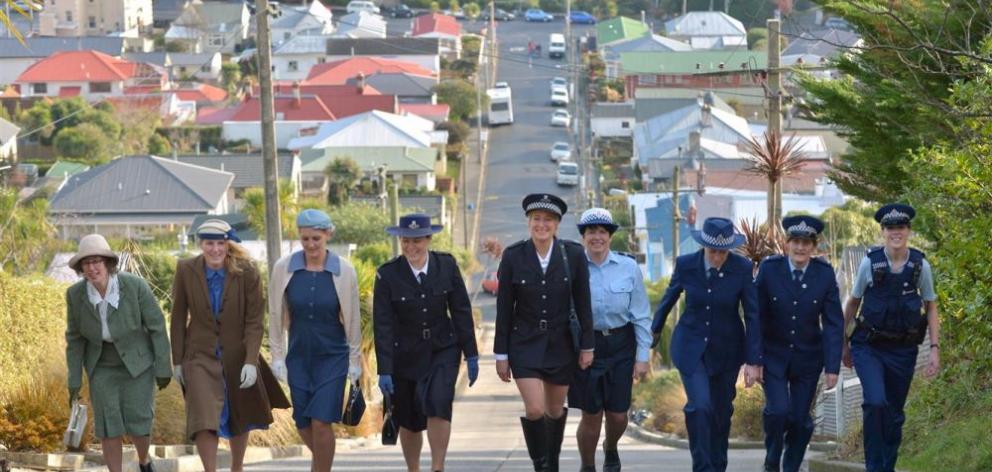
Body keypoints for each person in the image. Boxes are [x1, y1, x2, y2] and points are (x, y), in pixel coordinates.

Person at [170, 219, 290, 472]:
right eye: (209, 243)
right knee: (203, 416)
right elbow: (178, 317)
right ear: (201, 244)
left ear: (228, 244)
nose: (214, 249)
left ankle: (237, 467)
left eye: (220, 243)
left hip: (237, 353)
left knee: (240, 413)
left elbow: (255, 321)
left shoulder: (247, 271)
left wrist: (250, 361)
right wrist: (178, 361)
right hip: (198, 355)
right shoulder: (185, 269)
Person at [650, 217, 762, 472]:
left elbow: (753, 314)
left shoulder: (743, 268)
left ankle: (717, 465)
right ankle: (703, 467)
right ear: (704, 247)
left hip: (727, 350)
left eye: (723, 252)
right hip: (690, 348)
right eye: (713, 251)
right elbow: (669, 299)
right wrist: (654, 333)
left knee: (721, 414)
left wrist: (754, 360)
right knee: (700, 406)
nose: (718, 257)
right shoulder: (686, 265)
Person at [495, 193, 594, 472]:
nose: (541, 225)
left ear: (557, 224)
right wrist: (501, 354)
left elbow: (584, 303)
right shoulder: (513, 255)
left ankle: (552, 461)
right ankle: (541, 465)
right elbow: (504, 309)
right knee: (535, 410)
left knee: (553, 411)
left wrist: (588, 345)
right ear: (529, 222)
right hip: (524, 343)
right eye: (536, 219)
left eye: (548, 220)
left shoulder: (572, 255)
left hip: (561, 344)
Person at [373, 213, 479, 472]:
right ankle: (414, 468)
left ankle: (437, 466)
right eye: (405, 241)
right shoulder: (387, 275)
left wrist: (471, 353)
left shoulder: (447, 265)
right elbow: (383, 324)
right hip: (404, 355)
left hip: (442, 349)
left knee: (439, 403)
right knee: (408, 419)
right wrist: (385, 369)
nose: (411, 247)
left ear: (429, 239)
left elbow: (461, 310)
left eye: (417, 241)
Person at [842, 204, 940, 472]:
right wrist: (844, 344)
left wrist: (934, 348)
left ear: (908, 231)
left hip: (903, 351)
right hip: (869, 346)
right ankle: (874, 467)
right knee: (875, 403)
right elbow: (852, 304)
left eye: (901, 227)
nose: (896, 232)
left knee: (894, 414)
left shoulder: (920, 265)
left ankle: (887, 466)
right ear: (883, 231)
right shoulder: (870, 263)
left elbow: (931, 306)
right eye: (890, 228)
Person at [65, 234, 172, 472]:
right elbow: (74, 339)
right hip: (101, 365)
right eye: (86, 263)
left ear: (108, 263)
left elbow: (156, 326)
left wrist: (164, 367)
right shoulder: (75, 295)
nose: (92, 268)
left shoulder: (134, 287)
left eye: (97, 261)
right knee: (108, 424)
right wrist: (73, 379)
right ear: (81, 268)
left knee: (139, 421)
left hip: (137, 364)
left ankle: (144, 460)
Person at [268, 209, 364, 472]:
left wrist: (355, 361)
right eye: (305, 239)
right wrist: (277, 357)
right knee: (302, 422)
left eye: (316, 239)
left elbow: (353, 317)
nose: (310, 245)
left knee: (322, 422)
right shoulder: (283, 268)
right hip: (298, 357)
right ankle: (322, 464)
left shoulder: (344, 270)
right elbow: (275, 313)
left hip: (332, 357)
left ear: (328, 235)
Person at [754, 216, 844, 472]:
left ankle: (791, 466)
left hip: (807, 359)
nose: (801, 248)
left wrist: (832, 367)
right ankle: (772, 459)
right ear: (786, 243)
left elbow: (833, 323)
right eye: (796, 242)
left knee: (800, 420)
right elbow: (756, 316)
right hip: (773, 356)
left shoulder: (824, 275)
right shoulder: (770, 269)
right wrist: (754, 359)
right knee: (778, 411)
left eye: (806, 242)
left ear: (814, 246)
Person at [569, 209, 652, 472]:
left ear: (610, 236)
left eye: (602, 232)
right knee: (591, 415)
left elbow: (640, 314)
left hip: (621, 345)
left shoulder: (628, 267)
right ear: (583, 236)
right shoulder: (572, 267)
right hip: (586, 346)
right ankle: (588, 465)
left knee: (617, 415)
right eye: (591, 232)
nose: (597, 237)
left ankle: (611, 446)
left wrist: (642, 357)